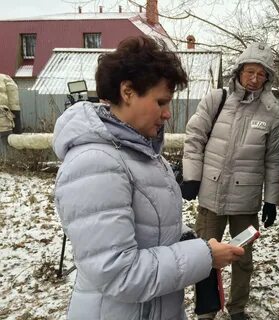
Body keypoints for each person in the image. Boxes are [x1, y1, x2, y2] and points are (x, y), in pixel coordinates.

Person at [53, 35, 244, 320]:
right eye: (161, 102)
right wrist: (203, 256)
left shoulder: (141, 153)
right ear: (127, 91)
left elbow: (147, 230)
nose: (168, 113)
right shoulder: (95, 163)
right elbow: (118, 273)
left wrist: (188, 240)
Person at [181, 42, 279, 320]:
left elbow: (273, 161)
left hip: (245, 203)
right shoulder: (217, 100)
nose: (254, 78)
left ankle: (237, 308)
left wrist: (271, 200)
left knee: (242, 259)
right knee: (204, 256)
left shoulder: (273, 114)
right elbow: (194, 138)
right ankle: (207, 309)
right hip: (211, 196)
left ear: (268, 78)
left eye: (261, 74)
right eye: (250, 71)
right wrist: (191, 176)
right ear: (239, 71)